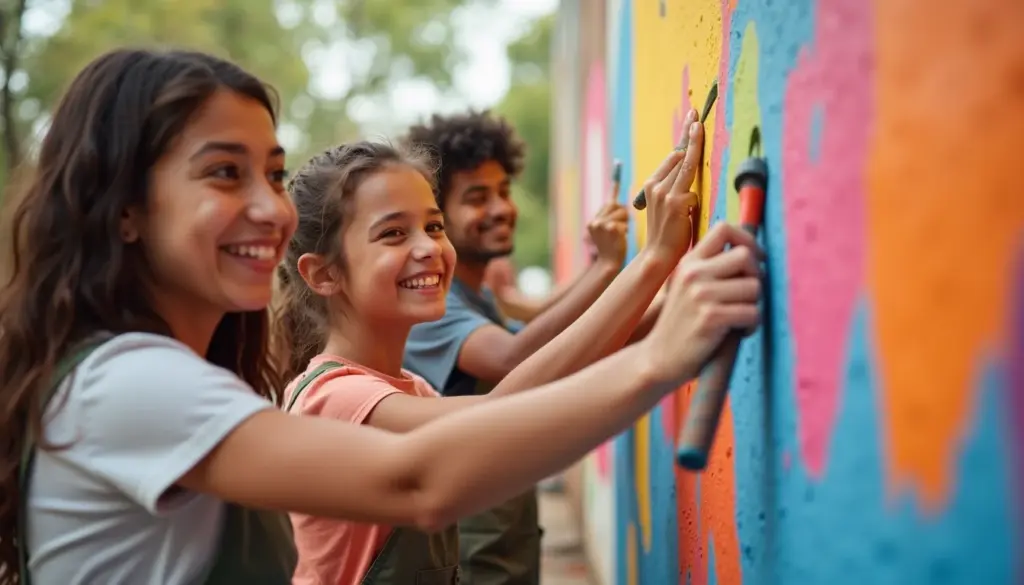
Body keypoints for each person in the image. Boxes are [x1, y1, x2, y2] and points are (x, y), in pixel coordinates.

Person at [0, 47, 762, 585]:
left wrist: (652, 280)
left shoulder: (169, 377)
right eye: (224, 174)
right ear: (125, 207)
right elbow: (424, 478)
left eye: (271, 173)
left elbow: (495, 416)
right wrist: (661, 342)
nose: (270, 208)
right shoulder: (129, 384)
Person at [275, 109, 734, 584]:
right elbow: (507, 409)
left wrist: (673, 297)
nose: (429, 247)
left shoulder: (413, 390)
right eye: (393, 233)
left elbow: (534, 413)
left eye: (433, 227)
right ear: (324, 274)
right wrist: (654, 258)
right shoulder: (337, 398)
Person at [399, 110, 697, 583]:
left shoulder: (474, 297)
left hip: (502, 533)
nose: (500, 208)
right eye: (477, 198)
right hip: (474, 549)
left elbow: (561, 337)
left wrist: (678, 298)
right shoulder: (434, 308)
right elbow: (516, 359)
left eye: (503, 191)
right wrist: (612, 267)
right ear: (436, 217)